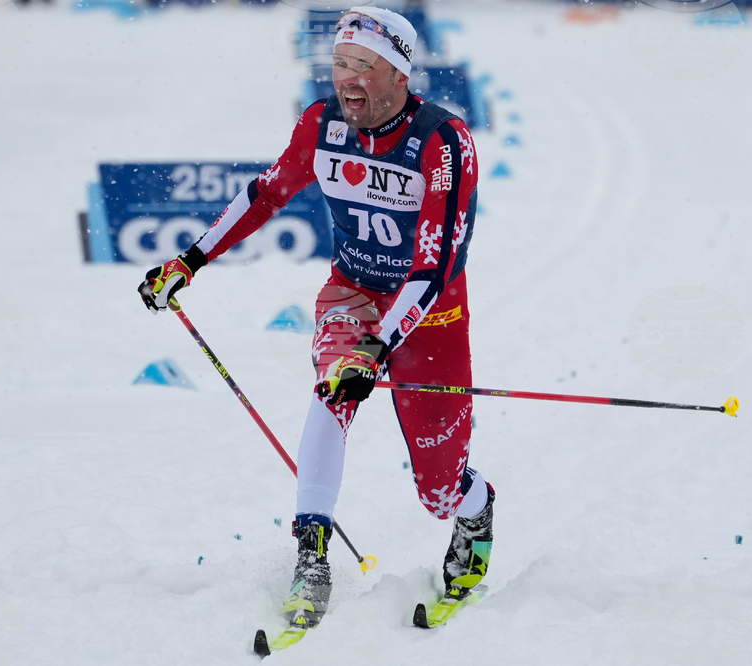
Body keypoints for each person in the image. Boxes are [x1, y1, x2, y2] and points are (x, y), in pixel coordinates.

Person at [138, 6, 494, 630]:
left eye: (365, 66)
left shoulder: (443, 143)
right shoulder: (321, 124)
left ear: (400, 73)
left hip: (429, 312)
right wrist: (189, 261)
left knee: (437, 490)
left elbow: (435, 267)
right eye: (339, 63)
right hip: (351, 295)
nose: (347, 79)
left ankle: (474, 507)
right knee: (332, 390)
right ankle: (312, 554)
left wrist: (380, 349)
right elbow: (267, 192)